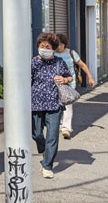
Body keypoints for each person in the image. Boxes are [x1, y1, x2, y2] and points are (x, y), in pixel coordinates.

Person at [31, 33, 72, 178]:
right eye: (41, 46)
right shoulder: (34, 62)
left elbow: (70, 76)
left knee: (52, 136)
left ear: (53, 48)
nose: (44, 49)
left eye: (47, 47)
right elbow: (27, 81)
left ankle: (47, 166)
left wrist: (64, 79)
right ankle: (44, 150)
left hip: (54, 104)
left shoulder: (59, 62)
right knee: (36, 133)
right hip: (35, 103)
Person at [55, 33, 96, 139]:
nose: (58, 47)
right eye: (56, 44)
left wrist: (90, 77)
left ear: (64, 44)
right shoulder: (52, 54)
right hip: (55, 84)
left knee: (68, 106)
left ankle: (66, 128)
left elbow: (82, 65)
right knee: (57, 106)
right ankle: (59, 124)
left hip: (69, 84)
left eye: (60, 44)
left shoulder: (71, 53)